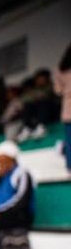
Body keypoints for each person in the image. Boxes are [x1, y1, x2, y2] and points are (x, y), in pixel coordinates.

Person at [55, 42, 71, 171]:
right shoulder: (61, 70)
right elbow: (58, 90)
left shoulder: (61, 70)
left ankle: (63, 147)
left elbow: (58, 90)